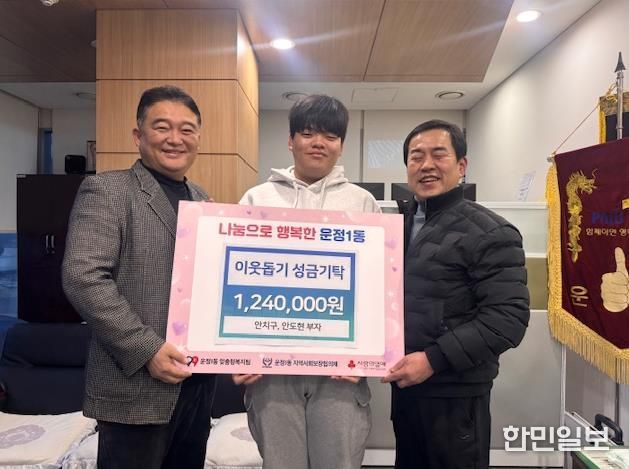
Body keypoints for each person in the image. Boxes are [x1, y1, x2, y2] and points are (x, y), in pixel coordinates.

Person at [62, 85, 216, 469]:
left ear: (198, 138)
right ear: (138, 135)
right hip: (134, 386)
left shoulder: (203, 200)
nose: (175, 138)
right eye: (162, 127)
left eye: (187, 129)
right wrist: (146, 349)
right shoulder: (108, 190)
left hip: (196, 384)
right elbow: (83, 276)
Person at [234, 94, 381, 469]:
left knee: (338, 462)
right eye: (308, 133)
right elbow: (234, 282)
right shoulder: (256, 199)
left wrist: (368, 356)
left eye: (330, 136)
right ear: (290, 140)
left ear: (341, 145)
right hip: (271, 371)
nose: (319, 143)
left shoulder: (363, 203)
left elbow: (379, 288)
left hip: (340, 372)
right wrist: (238, 353)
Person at [382, 120, 530, 469]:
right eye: (416, 157)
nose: (426, 165)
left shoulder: (491, 231)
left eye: (439, 155)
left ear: (462, 165)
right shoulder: (397, 225)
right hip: (406, 388)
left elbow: (507, 319)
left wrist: (433, 359)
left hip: (456, 394)